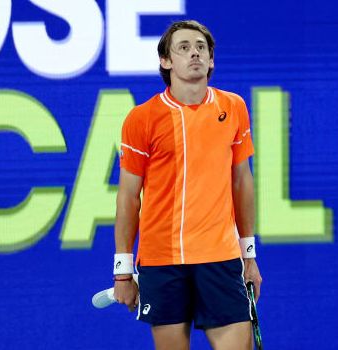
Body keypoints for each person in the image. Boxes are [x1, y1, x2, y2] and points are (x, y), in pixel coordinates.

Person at [112, 19, 262, 350]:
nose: (193, 53)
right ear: (166, 61)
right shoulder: (141, 118)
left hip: (221, 258)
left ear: (211, 60)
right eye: (183, 48)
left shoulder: (233, 108)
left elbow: (242, 181)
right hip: (162, 262)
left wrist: (248, 254)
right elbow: (128, 197)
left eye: (200, 48)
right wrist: (122, 270)